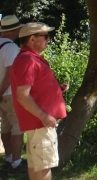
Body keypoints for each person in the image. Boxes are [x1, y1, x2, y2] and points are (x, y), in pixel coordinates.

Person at [11, 22, 69, 180]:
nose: (48, 40)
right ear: (31, 39)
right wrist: (44, 116)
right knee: (43, 167)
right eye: (45, 36)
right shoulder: (28, 60)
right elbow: (22, 95)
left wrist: (56, 89)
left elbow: (33, 88)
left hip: (38, 124)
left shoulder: (28, 58)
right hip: (40, 124)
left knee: (36, 165)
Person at [0, 15, 24, 172]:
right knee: (17, 126)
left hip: (2, 95)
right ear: (14, 30)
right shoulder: (11, 48)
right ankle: (16, 162)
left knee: (5, 125)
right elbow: (10, 74)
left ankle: (9, 158)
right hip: (7, 92)